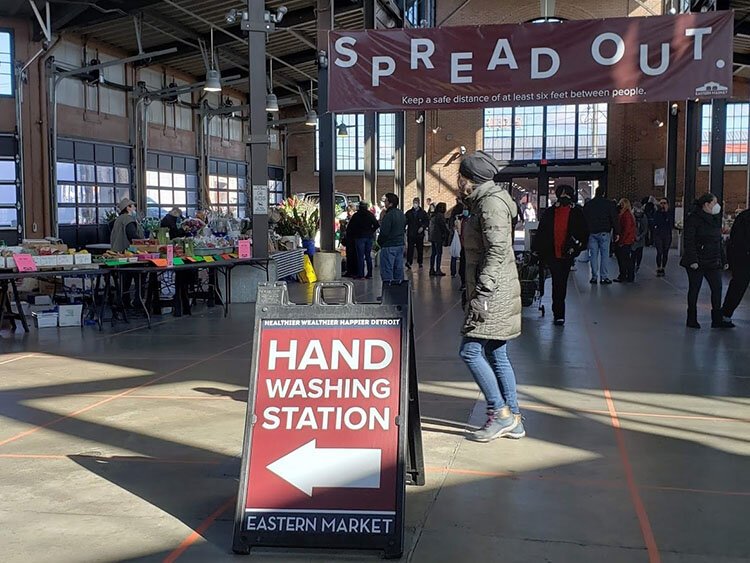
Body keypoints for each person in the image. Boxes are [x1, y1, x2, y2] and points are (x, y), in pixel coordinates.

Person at [456, 151, 524, 442]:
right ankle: (514, 419)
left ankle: (500, 413)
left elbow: (497, 249)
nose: (457, 181)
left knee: (469, 350)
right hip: (497, 287)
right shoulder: (484, 201)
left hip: (493, 291)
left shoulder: (491, 204)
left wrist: (482, 289)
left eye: (460, 175)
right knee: (497, 352)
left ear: (469, 178)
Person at [532, 184, 589, 325]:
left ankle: (559, 313)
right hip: (551, 252)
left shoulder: (577, 212)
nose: (564, 197)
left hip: (567, 253)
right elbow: (542, 232)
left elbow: (584, 232)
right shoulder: (550, 212)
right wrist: (536, 250)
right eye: (562, 194)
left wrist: (577, 247)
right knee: (557, 281)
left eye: (566, 194)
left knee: (561, 283)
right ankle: (558, 313)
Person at [680, 193, 733, 329]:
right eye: (714, 203)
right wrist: (693, 259)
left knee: (717, 288)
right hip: (697, 260)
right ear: (706, 204)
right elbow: (689, 241)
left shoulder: (715, 219)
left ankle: (716, 319)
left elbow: (718, 241)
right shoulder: (693, 219)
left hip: (713, 261)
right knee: (694, 289)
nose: (717, 206)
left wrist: (723, 259)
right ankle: (691, 319)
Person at [583, 187, 620, 284]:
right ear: (603, 193)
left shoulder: (589, 205)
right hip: (604, 232)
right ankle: (604, 277)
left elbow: (584, 218)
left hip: (592, 233)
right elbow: (614, 218)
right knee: (604, 256)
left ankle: (594, 276)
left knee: (593, 256)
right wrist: (617, 232)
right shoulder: (609, 204)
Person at [721, 208, 750, 323]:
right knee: (738, 286)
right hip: (743, 258)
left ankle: (725, 314)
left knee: (738, 286)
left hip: (741, 258)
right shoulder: (744, 218)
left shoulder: (743, 216)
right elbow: (737, 240)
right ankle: (725, 314)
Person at [377, 193, 407, 283]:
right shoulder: (401, 214)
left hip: (388, 246)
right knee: (398, 269)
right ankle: (398, 291)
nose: (384, 203)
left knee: (387, 270)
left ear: (390, 203)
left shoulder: (388, 215)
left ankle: (388, 293)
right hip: (400, 245)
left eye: (386, 201)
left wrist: (378, 245)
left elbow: (384, 233)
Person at [346, 201, 380, 279]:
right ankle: (370, 274)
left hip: (359, 237)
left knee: (360, 256)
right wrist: (371, 231)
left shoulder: (356, 215)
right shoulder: (370, 215)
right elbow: (377, 225)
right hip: (369, 237)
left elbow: (350, 227)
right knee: (368, 256)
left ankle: (360, 274)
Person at [615, 198, 636, 283]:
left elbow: (626, 229)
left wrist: (621, 241)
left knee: (623, 260)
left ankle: (624, 275)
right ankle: (629, 276)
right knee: (627, 259)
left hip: (625, 240)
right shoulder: (628, 214)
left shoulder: (625, 215)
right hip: (628, 240)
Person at [404, 198, 429, 269]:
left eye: (416, 202)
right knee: (410, 248)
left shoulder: (423, 213)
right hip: (411, 233)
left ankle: (420, 262)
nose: (415, 204)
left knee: (420, 249)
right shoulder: (409, 213)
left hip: (419, 234)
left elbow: (426, 221)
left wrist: (423, 227)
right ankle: (409, 262)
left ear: (418, 203)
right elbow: (405, 222)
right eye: (414, 202)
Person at [653, 198, 674, 277]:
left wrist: (666, 213)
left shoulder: (670, 213)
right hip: (658, 234)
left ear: (667, 204)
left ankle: (663, 268)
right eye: (661, 203)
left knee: (665, 252)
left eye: (664, 203)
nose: (662, 205)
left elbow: (670, 223)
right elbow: (655, 222)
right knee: (659, 251)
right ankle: (658, 267)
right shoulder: (657, 213)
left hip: (667, 234)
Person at [428, 202, 450, 276]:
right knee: (439, 253)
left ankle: (431, 269)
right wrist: (448, 232)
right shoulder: (440, 216)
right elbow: (443, 226)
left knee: (433, 253)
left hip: (433, 237)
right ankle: (438, 269)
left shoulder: (433, 215)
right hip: (438, 237)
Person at [632, 201, 650, 277]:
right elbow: (645, 229)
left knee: (634, 253)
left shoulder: (633, 216)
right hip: (638, 238)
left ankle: (634, 265)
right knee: (638, 253)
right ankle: (636, 265)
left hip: (636, 238)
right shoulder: (644, 216)